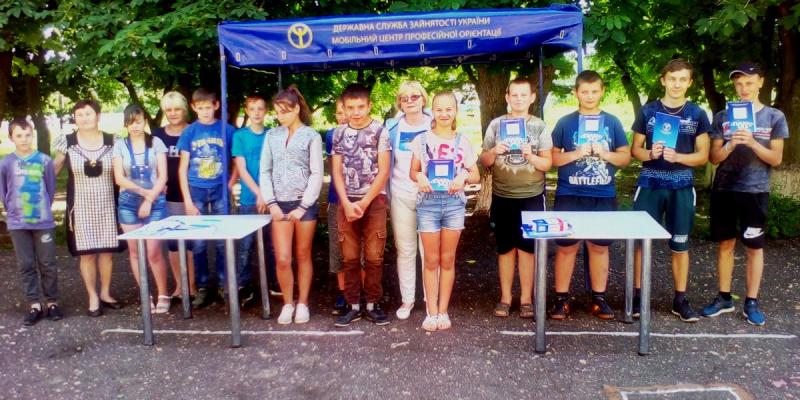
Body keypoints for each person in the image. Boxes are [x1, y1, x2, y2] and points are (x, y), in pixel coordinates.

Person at [701, 63, 789, 326]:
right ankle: (724, 297)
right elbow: (713, 158)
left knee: (754, 247)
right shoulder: (723, 117)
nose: (744, 88)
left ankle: (751, 301)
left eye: (749, 82)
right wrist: (730, 144)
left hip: (755, 190)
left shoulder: (774, 116)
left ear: (760, 82)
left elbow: (776, 159)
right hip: (724, 189)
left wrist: (752, 142)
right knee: (725, 244)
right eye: (739, 84)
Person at [630, 58, 711, 322]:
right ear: (663, 80)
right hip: (650, 184)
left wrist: (679, 157)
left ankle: (680, 299)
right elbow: (635, 150)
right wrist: (650, 153)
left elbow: (703, 156)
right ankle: (638, 296)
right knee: (641, 243)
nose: (677, 84)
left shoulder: (697, 114)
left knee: (680, 244)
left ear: (689, 83)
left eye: (682, 79)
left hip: (681, 185)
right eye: (672, 79)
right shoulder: (648, 111)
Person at [548, 71, 631, 320]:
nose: (590, 96)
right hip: (569, 192)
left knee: (599, 246)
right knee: (566, 246)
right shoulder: (565, 122)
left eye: (594, 91)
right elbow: (552, 159)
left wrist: (604, 153)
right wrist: (576, 153)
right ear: (576, 93)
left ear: (602, 91)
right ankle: (561, 299)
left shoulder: (612, 122)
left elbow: (625, 158)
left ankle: (599, 298)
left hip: (603, 194)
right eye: (584, 91)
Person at [480, 77, 552, 319]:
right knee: (505, 249)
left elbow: (548, 164)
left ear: (532, 97)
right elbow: (484, 161)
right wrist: (494, 151)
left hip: (532, 197)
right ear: (507, 97)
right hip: (502, 196)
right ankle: (505, 298)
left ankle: (526, 299)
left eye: (524, 95)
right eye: (514, 95)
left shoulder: (540, 126)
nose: (519, 99)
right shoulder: (495, 125)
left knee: (527, 250)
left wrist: (531, 156)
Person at [409, 92, 480, 331]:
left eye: (449, 109)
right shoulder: (421, 140)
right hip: (428, 204)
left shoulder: (463, 141)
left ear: (455, 111)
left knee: (447, 260)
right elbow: (413, 171)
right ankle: (431, 312)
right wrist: (419, 176)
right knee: (431, 260)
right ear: (432, 111)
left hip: (453, 204)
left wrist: (463, 176)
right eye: (439, 109)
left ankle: (443, 310)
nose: (444, 114)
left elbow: (475, 174)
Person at [54, 99, 124, 317]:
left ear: (98, 116)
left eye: (88, 113)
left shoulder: (113, 141)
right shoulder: (67, 142)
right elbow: (53, 170)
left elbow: (124, 171)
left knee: (107, 252)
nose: (84, 118)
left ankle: (105, 293)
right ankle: (92, 296)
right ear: (75, 118)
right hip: (80, 205)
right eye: (79, 114)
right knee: (87, 254)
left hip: (107, 203)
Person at [260, 86, 323, 324]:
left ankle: (303, 303)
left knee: (303, 254)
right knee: (283, 258)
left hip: (304, 205)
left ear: (296, 109)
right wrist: (271, 203)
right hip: (279, 205)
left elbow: (317, 173)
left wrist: (303, 206)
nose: (280, 116)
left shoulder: (311, 136)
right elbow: (265, 171)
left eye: (285, 111)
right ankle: (288, 303)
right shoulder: (271, 136)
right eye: (277, 112)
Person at [331, 84, 392, 327]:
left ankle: (373, 303)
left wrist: (365, 202)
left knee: (374, 256)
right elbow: (336, 171)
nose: (355, 112)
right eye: (350, 108)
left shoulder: (380, 131)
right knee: (350, 256)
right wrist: (346, 203)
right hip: (347, 201)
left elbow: (384, 170)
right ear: (344, 108)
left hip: (374, 201)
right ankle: (353, 304)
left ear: (369, 106)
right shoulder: (338, 133)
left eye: (360, 107)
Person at [177, 88, 236, 308]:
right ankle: (202, 286)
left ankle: (223, 284)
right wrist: (187, 200)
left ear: (216, 106)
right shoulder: (189, 132)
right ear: (194, 108)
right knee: (199, 242)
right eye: (200, 108)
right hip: (197, 190)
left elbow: (236, 160)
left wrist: (230, 184)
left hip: (220, 190)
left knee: (222, 240)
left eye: (208, 107)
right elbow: (182, 168)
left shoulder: (227, 130)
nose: (204, 111)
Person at [1, 118, 62, 325]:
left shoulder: (44, 160)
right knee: (26, 264)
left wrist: (43, 210)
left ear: (32, 135)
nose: (24, 139)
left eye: (27, 135)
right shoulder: (6, 163)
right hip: (18, 224)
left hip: (43, 222)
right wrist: (13, 211)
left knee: (47, 263)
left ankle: (52, 302)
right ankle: (34, 304)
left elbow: (50, 189)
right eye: (19, 135)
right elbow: (4, 192)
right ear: (11, 138)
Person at [112, 104, 171, 313]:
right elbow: (119, 178)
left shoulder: (156, 143)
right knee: (135, 251)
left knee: (153, 251)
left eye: (138, 122)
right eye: (130, 123)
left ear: (145, 121)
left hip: (155, 202)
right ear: (125, 124)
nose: (134, 126)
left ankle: (163, 293)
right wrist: (142, 192)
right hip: (128, 203)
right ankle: (145, 294)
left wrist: (149, 198)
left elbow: (163, 176)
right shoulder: (119, 145)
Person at [386, 81, 432, 320]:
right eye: (405, 98)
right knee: (405, 250)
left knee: (429, 251)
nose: (410, 101)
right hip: (401, 194)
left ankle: (430, 299)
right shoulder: (392, 127)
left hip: (430, 196)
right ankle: (407, 300)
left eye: (415, 96)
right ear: (399, 103)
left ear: (423, 99)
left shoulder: (436, 123)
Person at [232, 94, 276, 308]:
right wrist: (259, 193)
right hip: (250, 199)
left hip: (272, 199)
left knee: (271, 244)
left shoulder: (272, 135)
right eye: (252, 109)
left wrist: (267, 195)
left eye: (260, 108)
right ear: (247, 111)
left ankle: (273, 282)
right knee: (246, 246)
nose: (256, 113)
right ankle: (244, 285)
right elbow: (241, 169)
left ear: (266, 111)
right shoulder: (240, 136)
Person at [152, 91, 196, 300]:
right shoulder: (157, 135)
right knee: (173, 244)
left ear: (185, 110)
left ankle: (193, 285)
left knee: (191, 243)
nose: (173, 113)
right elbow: (150, 163)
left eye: (177, 109)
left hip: (192, 194)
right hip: (168, 196)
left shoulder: (194, 131)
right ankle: (180, 285)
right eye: (168, 110)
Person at [326, 99, 349, 315]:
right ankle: (343, 291)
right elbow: (334, 169)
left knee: (361, 250)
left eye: (346, 111)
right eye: (339, 112)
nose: (343, 116)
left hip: (360, 199)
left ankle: (360, 291)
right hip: (336, 199)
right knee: (338, 248)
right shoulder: (331, 136)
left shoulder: (369, 134)